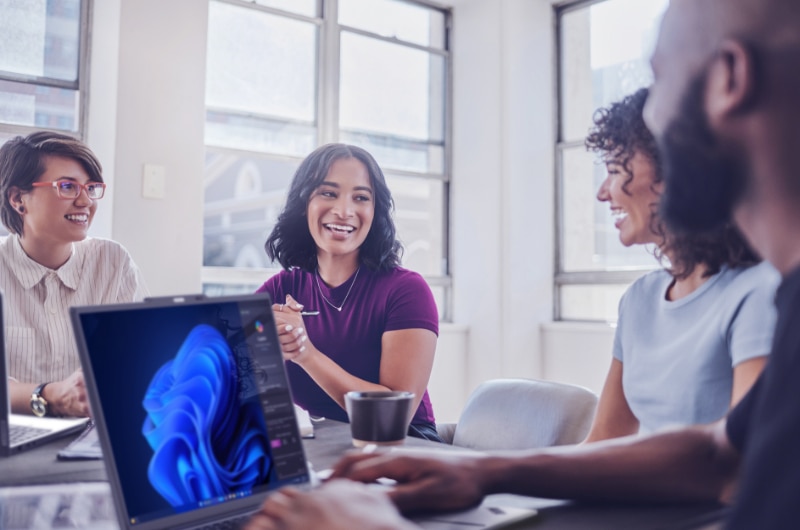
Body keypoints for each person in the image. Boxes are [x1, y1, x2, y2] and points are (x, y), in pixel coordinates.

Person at [244, 0, 800, 528]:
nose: (649, 118)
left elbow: (734, 481)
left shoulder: (761, 298)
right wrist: (485, 469)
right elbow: (718, 452)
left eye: (661, 79)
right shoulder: (774, 298)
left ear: (728, 78)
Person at [583, 87, 777, 442]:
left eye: (614, 168)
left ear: (672, 169)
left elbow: (735, 460)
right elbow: (603, 440)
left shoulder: (759, 293)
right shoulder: (638, 299)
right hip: (635, 499)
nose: (603, 192)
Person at [256, 143, 442, 442]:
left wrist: (305, 353)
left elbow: (392, 414)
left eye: (360, 198)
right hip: (322, 442)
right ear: (304, 204)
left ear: (374, 210)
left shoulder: (406, 290)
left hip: (402, 444)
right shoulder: (280, 289)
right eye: (328, 193)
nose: (344, 211)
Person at [0, 131, 148, 418]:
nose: (85, 202)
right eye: (67, 186)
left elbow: (140, 359)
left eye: (90, 188)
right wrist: (50, 396)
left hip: (94, 438)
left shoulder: (113, 262)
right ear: (18, 199)